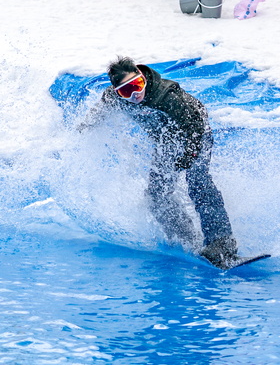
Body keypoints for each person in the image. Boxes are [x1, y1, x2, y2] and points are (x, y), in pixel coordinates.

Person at [87, 58, 240, 267]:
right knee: (156, 195)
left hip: (195, 135)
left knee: (198, 183)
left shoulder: (166, 95)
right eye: (126, 91)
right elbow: (97, 114)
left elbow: (195, 121)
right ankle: (186, 238)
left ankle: (222, 246)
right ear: (117, 92)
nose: (134, 94)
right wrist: (81, 132)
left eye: (137, 85)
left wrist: (191, 153)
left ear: (143, 79)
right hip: (167, 142)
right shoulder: (114, 98)